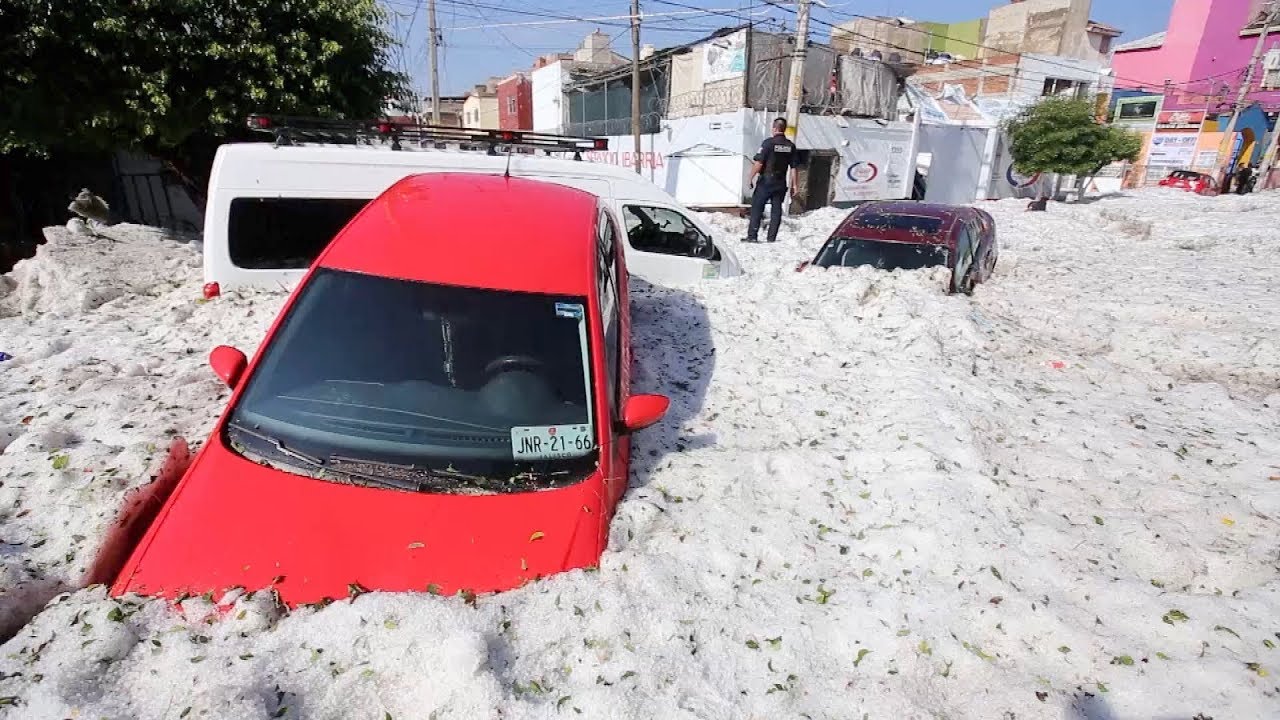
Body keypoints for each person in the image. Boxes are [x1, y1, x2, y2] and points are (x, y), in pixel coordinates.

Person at [745, 117, 799, 243]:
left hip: (766, 181)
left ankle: (752, 236)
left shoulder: (768, 143)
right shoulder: (790, 146)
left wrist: (750, 177)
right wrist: (795, 185)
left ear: (774, 128)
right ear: (784, 129)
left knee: (757, 207)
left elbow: (759, 163)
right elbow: (794, 167)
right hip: (780, 182)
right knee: (776, 210)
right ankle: (771, 238)